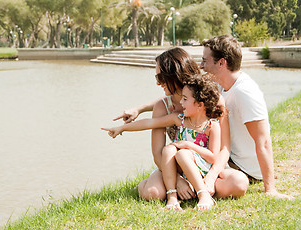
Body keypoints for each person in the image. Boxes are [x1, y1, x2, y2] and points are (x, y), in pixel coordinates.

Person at [114, 49, 247, 201]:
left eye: (160, 77)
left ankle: (200, 189)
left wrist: (211, 178)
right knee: (153, 193)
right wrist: (178, 181)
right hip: (175, 166)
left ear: (174, 75)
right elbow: (158, 154)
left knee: (239, 184)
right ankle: (160, 185)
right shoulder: (163, 107)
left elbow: (224, 148)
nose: (157, 82)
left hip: (206, 165)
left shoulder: (212, 100)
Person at [103, 74, 223, 210]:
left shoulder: (212, 126)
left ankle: (204, 195)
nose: (181, 103)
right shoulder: (179, 119)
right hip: (178, 168)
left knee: (182, 153)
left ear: (200, 105)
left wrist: (188, 145)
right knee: (169, 149)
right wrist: (122, 128)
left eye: (185, 99)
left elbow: (213, 156)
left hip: (200, 168)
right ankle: (172, 198)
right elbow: (150, 123)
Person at [200, 35, 293, 199]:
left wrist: (270, 189)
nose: (201, 66)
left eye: (205, 61)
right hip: (227, 156)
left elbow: (263, 141)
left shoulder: (245, 92)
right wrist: (142, 109)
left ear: (222, 63)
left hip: (242, 167)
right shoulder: (219, 85)